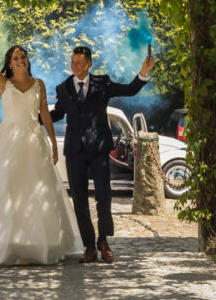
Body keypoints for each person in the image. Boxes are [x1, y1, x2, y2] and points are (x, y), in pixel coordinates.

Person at [0, 19, 82, 265]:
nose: (21, 60)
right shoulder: (3, 83)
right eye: (16, 58)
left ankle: (33, 246)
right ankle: (2, 243)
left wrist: (53, 143)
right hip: (8, 139)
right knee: (4, 190)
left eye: (23, 57)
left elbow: (44, 114)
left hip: (34, 139)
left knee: (35, 192)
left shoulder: (39, 84)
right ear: (9, 64)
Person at [50, 45, 154, 263]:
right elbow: (58, 114)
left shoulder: (103, 83)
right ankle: (89, 246)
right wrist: (33, 118)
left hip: (99, 150)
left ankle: (103, 241)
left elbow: (128, 90)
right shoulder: (63, 88)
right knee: (79, 200)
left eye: (79, 63)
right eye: (72, 62)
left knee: (104, 196)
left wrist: (143, 73)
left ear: (89, 64)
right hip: (75, 151)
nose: (74, 66)